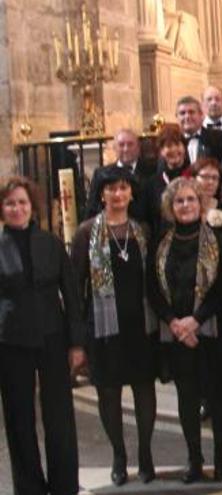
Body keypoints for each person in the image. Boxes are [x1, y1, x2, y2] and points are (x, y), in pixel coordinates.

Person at [71, 167, 158, 486]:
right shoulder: (85, 233)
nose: (118, 194)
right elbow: (74, 286)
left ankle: (146, 454)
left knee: (144, 390)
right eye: (111, 189)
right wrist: (77, 338)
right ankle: (119, 456)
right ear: (102, 194)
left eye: (123, 188)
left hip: (140, 325)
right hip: (103, 328)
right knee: (109, 393)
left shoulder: (143, 231)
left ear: (131, 193)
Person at [146, 177, 222, 483]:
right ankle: (194, 459)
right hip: (177, 334)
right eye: (179, 201)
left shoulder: (217, 239)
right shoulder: (161, 243)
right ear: (171, 207)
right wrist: (174, 322)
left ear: (201, 203)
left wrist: (195, 320)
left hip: (210, 329)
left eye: (191, 199)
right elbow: (152, 288)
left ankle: (221, 455)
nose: (185, 205)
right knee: (187, 398)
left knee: (219, 396)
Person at [0, 176, 85, 495]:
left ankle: (64, 485)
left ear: (32, 207)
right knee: (19, 418)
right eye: (10, 203)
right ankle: (29, 487)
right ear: (2, 209)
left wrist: (77, 342)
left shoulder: (50, 243)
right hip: (11, 342)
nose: (17, 208)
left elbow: (72, 295)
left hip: (53, 337)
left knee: (60, 416)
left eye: (22, 202)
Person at [86, 128, 157, 220]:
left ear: (138, 147)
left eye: (130, 144)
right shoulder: (101, 174)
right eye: (121, 145)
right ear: (115, 148)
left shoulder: (152, 171)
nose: (126, 149)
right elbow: (92, 208)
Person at [144, 123, 191, 234]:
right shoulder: (151, 184)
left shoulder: (193, 177)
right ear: (161, 151)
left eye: (178, 144)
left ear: (184, 148)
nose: (174, 149)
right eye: (168, 146)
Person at [193, 158, 222, 231]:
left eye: (215, 178)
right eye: (205, 177)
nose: (210, 182)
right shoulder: (186, 208)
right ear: (194, 179)